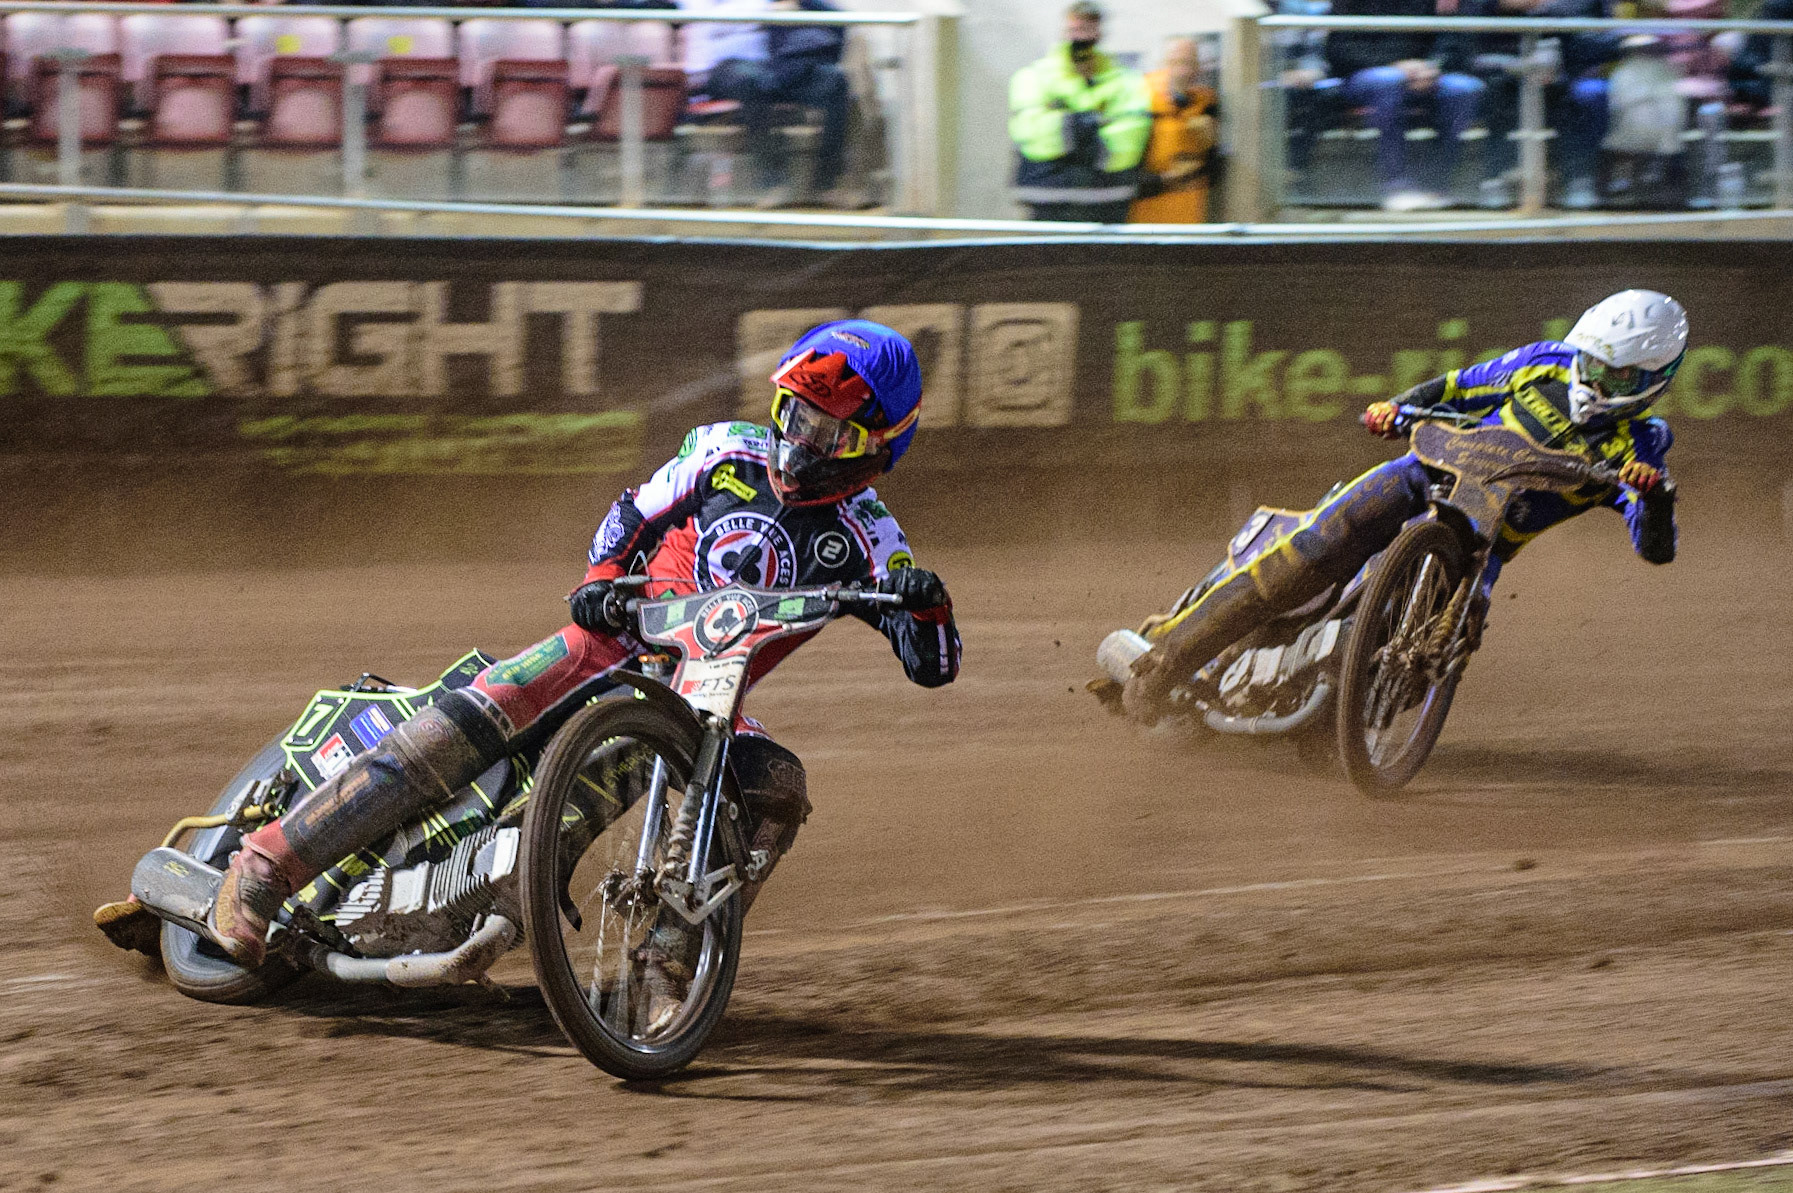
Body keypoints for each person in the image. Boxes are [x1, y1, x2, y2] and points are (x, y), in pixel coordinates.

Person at [196, 320, 961, 969]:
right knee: (475, 715)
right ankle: (263, 868)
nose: (800, 442)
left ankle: (671, 957)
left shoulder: (871, 537)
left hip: (705, 700)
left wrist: (925, 607)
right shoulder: (724, 450)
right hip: (614, 638)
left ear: (878, 445)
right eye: (794, 415)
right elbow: (631, 512)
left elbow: (933, 666)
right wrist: (600, 577)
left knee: (779, 789)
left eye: (827, 431)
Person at [1120, 290, 1686, 719]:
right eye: (1591, 361)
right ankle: (1164, 662)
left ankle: (1339, 717)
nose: (1592, 376)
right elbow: (1457, 387)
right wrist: (1396, 408)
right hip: (1421, 476)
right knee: (1316, 545)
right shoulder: (1544, 360)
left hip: (1481, 546)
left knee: (1437, 653)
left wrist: (1655, 496)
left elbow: (1655, 548)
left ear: (1653, 378)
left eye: (1615, 372)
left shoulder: (1644, 444)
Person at [691, 0, 857, 208]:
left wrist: (798, 6)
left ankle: (827, 185)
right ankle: (772, 184)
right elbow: (711, 23)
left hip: (781, 68)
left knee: (835, 83)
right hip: (735, 70)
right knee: (753, 84)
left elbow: (832, 17)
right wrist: (767, 10)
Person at [1325, 0, 1487, 211]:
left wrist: (1432, 68)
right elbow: (1339, 51)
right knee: (1388, 81)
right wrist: (1396, 66)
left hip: (1422, 75)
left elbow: (1450, 40)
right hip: (1364, 75)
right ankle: (1396, 186)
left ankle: (1437, 185)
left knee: (1464, 88)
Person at [1009, 1, 1152, 224]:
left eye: (1088, 28)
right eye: (1076, 29)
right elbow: (1034, 135)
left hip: (1108, 206)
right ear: (1064, 31)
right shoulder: (1033, 77)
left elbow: (1128, 142)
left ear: (1100, 32)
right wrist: (1097, 124)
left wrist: (1064, 122)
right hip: (1049, 204)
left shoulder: (1127, 82)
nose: (1081, 37)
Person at [1129, 36, 1218, 224]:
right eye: (1175, 62)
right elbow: (1126, 174)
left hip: (1189, 218)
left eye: (1189, 63)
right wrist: (1166, 179)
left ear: (1198, 68)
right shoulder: (1142, 102)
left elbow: (1215, 172)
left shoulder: (1206, 105)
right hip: (1148, 218)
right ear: (1163, 64)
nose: (1183, 71)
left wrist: (1211, 144)